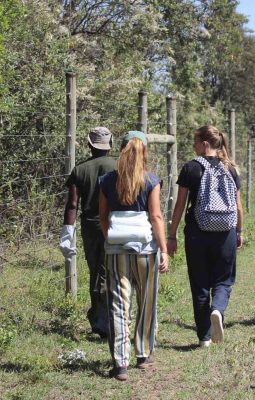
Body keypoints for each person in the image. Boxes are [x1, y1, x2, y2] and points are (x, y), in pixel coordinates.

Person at [98, 131, 168, 381]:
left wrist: (111, 238)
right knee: (147, 300)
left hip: (117, 250)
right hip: (145, 250)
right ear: (145, 152)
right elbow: (156, 217)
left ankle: (120, 363)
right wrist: (164, 249)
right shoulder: (151, 180)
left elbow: (103, 217)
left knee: (118, 304)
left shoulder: (107, 181)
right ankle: (144, 353)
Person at [167, 125, 243, 347]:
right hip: (226, 232)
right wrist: (239, 231)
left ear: (205, 144)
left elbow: (180, 205)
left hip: (197, 232)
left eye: (195, 141)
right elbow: (238, 206)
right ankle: (218, 310)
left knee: (199, 283)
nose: (193, 145)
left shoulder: (191, 168)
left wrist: (172, 236)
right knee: (223, 280)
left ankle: (204, 337)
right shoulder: (231, 169)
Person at [59, 127, 116, 339]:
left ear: (89, 145)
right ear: (110, 144)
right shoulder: (120, 165)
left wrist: (67, 232)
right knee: (117, 270)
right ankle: (117, 317)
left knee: (97, 271)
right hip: (117, 223)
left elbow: (72, 205)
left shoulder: (80, 170)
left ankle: (100, 322)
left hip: (92, 225)